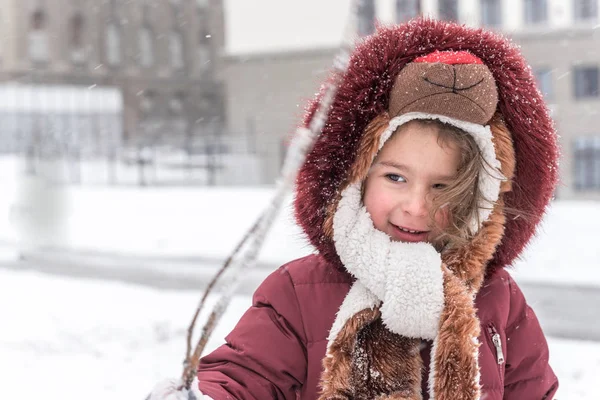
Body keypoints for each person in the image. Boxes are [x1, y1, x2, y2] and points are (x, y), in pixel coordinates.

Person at [154, 18, 560, 400]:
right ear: (357, 178)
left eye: (443, 187)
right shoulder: (298, 293)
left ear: (479, 198)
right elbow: (242, 376)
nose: (416, 207)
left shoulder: (498, 299)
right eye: (395, 178)